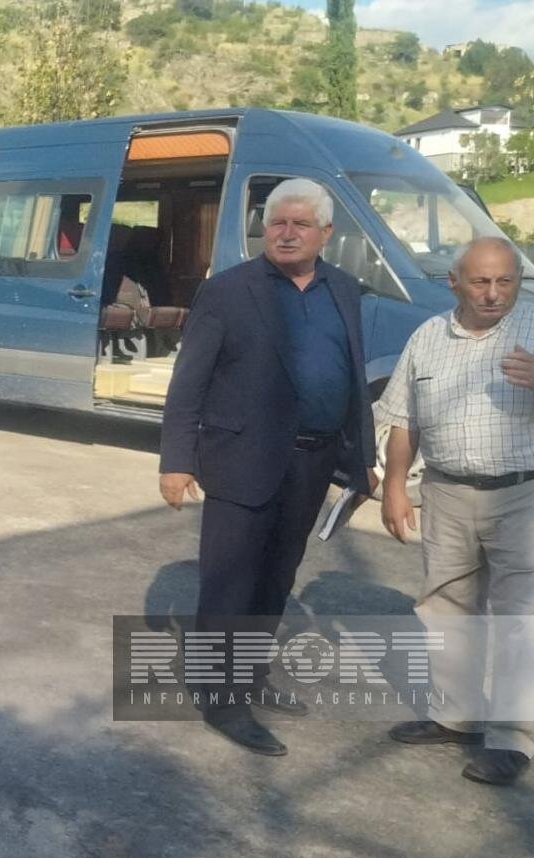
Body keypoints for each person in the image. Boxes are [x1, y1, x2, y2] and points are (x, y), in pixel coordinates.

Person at [158, 178, 378, 756]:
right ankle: (221, 700)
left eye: (300, 224)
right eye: (277, 222)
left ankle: (249, 678)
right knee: (229, 583)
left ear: (326, 233)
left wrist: (363, 460)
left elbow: (353, 377)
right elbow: (189, 382)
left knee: (276, 579)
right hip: (240, 461)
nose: (286, 233)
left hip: (312, 462)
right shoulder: (227, 291)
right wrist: (176, 460)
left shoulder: (343, 289)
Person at [379, 236, 534, 787]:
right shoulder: (427, 336)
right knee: (447, 607)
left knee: (521, 619)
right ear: (454, 283)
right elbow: (404, 419)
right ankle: (455, 715)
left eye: (505, 281)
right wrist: (394, 486)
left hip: (530, 495)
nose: (493, 293)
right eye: (481, 282)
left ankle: (510, 739)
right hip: (448, 493)